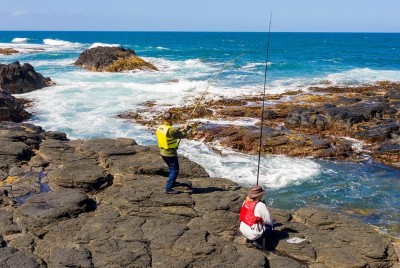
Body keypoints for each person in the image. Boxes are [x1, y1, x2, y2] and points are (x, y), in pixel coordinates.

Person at [156, 112, 190, 194]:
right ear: (170, 119)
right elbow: (182, 135)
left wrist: (181, 129)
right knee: (175, 170)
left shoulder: (160, 127)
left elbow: (172, 133)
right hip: (170, 153)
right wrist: (186, 128)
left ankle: (173, 182)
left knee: (171, 169)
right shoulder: (172, 130)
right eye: (173, 117)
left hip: (163, 152)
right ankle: (168, 188)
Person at [239, 185, 274, 250]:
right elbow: (268, 221)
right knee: (271, 227)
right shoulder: (260, 205)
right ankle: (260, 242)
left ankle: (248, 237)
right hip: (253, 234)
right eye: (262, 193)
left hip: (243, 229)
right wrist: (272, 225)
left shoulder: (245, 202)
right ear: (259, 195)